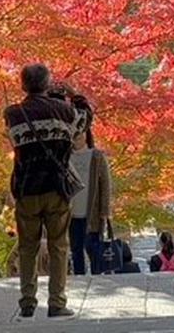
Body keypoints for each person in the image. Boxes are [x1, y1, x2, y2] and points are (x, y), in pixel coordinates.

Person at [4, 64, 87, 319]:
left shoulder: (13, 113)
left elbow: (13, 140)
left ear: (23, 85)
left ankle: (28, 301)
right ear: (48, 84)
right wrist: (74, 94)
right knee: (59, 246)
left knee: (27, 246)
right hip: (56, 187)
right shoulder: (63, 111)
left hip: (26, 186)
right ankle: (57, 303)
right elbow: (84, 119)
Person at [67, 98, 114, 275]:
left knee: (93, 247)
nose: (77, 137)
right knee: (76, 249)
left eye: (80, 134)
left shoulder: (96, 156)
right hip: (71, 212)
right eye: (75, 135)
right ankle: (79, 277)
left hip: (92, 212)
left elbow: (105, 185)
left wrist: (105, 211)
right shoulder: (65, 156)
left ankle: (96, 275)